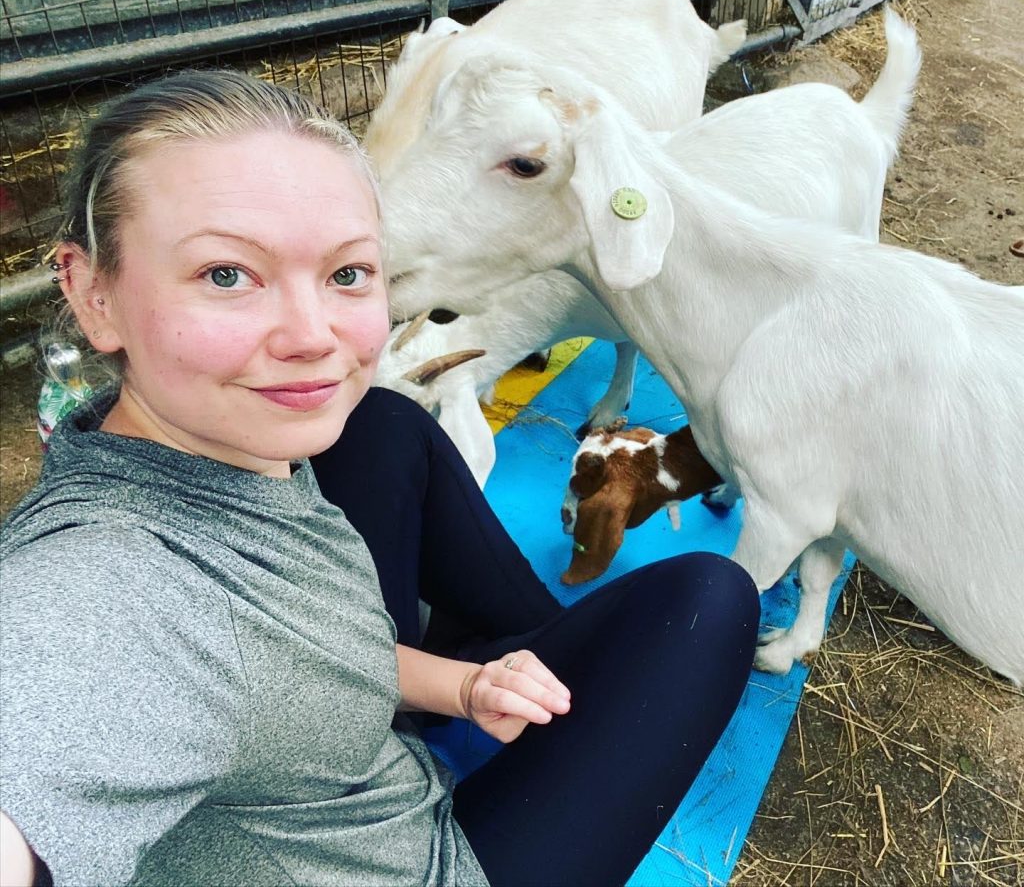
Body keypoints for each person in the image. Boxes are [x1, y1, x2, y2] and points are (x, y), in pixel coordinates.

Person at [0, 70, 759, 887]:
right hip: (434, 867)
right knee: (709, 602)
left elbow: (306, 650)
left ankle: (506, 664)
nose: (312, 336)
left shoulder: (208, 444)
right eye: (226, 274)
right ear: (91, 293)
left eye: (347, 274)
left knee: (384, 424)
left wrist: (465, 686)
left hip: (368, 757)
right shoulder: (103, 588)